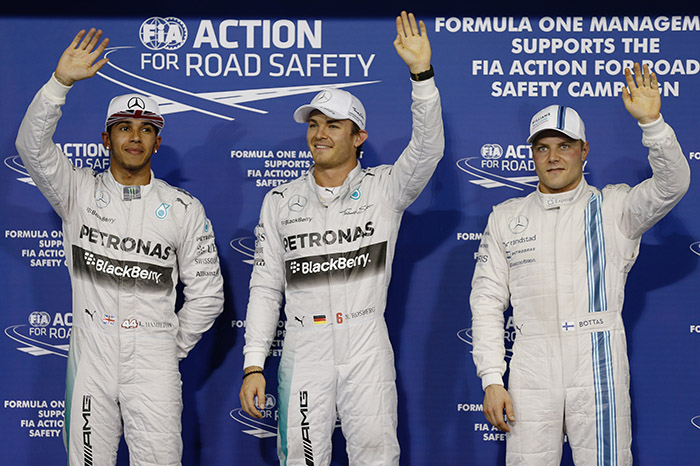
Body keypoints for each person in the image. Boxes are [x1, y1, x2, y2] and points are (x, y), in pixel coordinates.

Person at [239, 11, 443, 466]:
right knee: (302, 459)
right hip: (303, 346)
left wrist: (421, 75)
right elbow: (265, 288)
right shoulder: (280, 200)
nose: (319, 134)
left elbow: (428, 149)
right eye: (313, 124)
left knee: (376, 457)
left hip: (364, 340)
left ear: (358, 136)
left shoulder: (385, 189)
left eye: (333, 125)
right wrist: (254, 364)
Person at [15, 29, 224, 465]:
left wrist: (167, 344)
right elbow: (31, 147)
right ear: (106, 139)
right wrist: (59, 84)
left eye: (146, 129)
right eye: (124, 128)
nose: (135, 137)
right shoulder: (77, 191)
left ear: (157, 142)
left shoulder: (183, 208)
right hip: (91, 355)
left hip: (154, 359)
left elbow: (208, 295)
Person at [470, 62, 690, 465]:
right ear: (532, 154)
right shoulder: (505, 216)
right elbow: (485, 302)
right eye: (543, 147)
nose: (553, 157)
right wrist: (491, 379)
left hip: (597, 361)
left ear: (584, 150)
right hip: (531, 365)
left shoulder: (614, 207)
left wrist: (653, 124)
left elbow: (672, 184)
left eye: (565, 146)